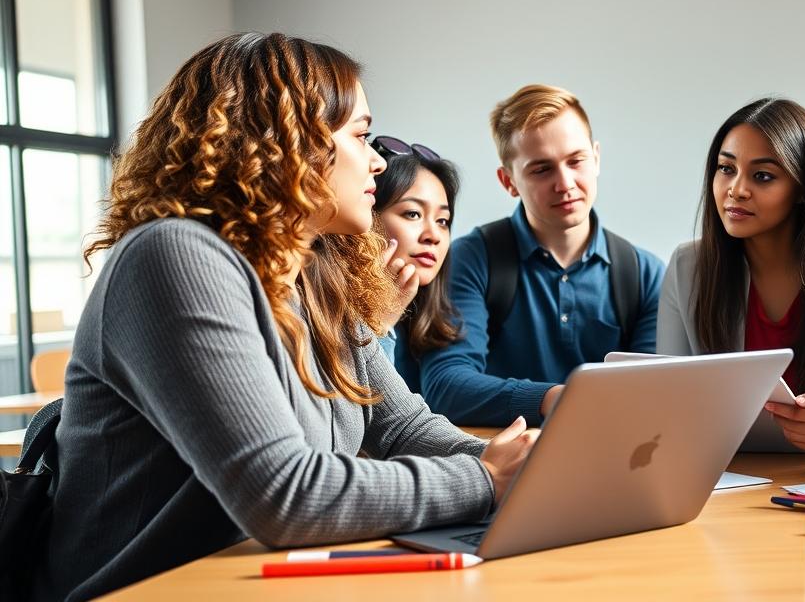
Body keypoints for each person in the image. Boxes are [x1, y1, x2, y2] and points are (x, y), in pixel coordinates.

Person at [37, 34, 537, 601]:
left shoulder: (316, 276)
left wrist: (534, 469)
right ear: (288, 144)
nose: (377, 161)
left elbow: (400, 426)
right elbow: (285, 494)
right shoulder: (174, 258)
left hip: (258, 583)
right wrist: (484, 478)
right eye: (360, 135)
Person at [658, 97, 805, 455]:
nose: (736, 189)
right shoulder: (686, 266)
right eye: (726, 169)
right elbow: (666, 407)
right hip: (721, 477)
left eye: (762, 176)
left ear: (802, 190)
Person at [428, 84, 665, 426]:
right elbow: (445, 386)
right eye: (542, 169)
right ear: (508, 181)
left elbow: (654, 395)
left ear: (596, 158)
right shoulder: (470, 258)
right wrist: (558, 399)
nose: (565, 182)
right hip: (503, 466)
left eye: (576, 161)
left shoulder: (645, 274)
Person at [369, 138, 463, 388]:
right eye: (413, 214)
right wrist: (380, 327)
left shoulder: (431, 322)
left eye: (443, 221)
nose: (433, 235)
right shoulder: (327, 318)